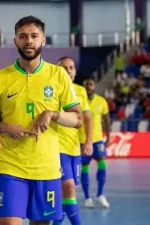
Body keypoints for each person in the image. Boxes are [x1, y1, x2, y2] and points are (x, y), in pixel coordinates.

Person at [0, 16, 83, 225]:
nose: (29, 41)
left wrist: (52, 114)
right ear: (15, 41)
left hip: (47, 168)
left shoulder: (58, 75)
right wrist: (5, 126)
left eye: (34, 36)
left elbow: (78, 119)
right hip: (11, 167)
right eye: (23, 36)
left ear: (43, 40)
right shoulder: (0, 78)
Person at [52, 57, 93, 225]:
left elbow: (88, 119)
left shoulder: (80, 91)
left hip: (74, 149)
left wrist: (89, 141)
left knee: (68, 193)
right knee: (68, 188)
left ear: (75, 71)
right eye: (64, 67)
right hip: (56, 148)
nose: (68, 70)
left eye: (71, 67)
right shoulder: (51, 90)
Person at [79, 78, 111, 208]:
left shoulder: (101, 101)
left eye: (91, 85)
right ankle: (87, 198)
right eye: (86, 85)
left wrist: (108, 136)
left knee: (102, 163)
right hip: (82, 140)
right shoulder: (78, 100)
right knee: (85, 167)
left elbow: (107, 120)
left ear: (95, 87)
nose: (88, 87)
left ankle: (100, 194)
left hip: (97, 139)